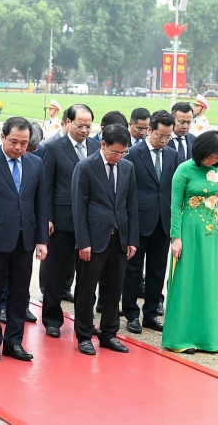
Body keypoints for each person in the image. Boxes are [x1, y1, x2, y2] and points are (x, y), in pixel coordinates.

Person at [0, 117, 48, 363]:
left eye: (24, 143)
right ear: (3, 137)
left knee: (19, 294)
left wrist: (42, 240)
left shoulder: (36, 163)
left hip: (25, 240)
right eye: (14, 141)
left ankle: (14, 342)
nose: (18, 147)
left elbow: (41, 204)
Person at [162, 130, 218, 353]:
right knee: (188, 280)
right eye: (209, 156)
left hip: (213, 233)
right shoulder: (184, 170)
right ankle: (183, 338)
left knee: (211, 280)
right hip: (189, 231)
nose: (212, 160)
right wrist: (176, 238)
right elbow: (175, 205)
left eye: (217, 157)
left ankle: (211, 337)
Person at [72, 125, 138, 355]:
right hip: (93, 239)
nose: (118, 156)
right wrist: (83, 242)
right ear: (103, 144)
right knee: (86, 289)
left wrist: (132, 239)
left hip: (119, 238)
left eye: (123, 152)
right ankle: (84, 334)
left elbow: (131, 205)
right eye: (114, 152)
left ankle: (109, 333)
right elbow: (79, 207)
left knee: (114, 288)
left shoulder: (128, 167)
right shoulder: (86, 166)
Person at [41, 104, 99, 338]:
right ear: (67, 123)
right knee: (56, 273)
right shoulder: (53, 148)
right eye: (79, 125)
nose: (84, 130)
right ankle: (52, 319)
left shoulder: (96, 147)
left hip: (90, 222)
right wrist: (48, 217)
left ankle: (84, 321)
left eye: (88, 126)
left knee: (88, 275)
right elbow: (46, 186)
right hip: (62, 221)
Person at [122, 110, 178, 334]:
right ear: (149, 131)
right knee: (133, 270)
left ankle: (151, 313)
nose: (164, 140)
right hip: (139, 221)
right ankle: (131, 314)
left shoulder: (173, 155)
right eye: (160, 136)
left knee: (157, 270)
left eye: (168, 137)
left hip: (163, 222)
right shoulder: (133, 154)